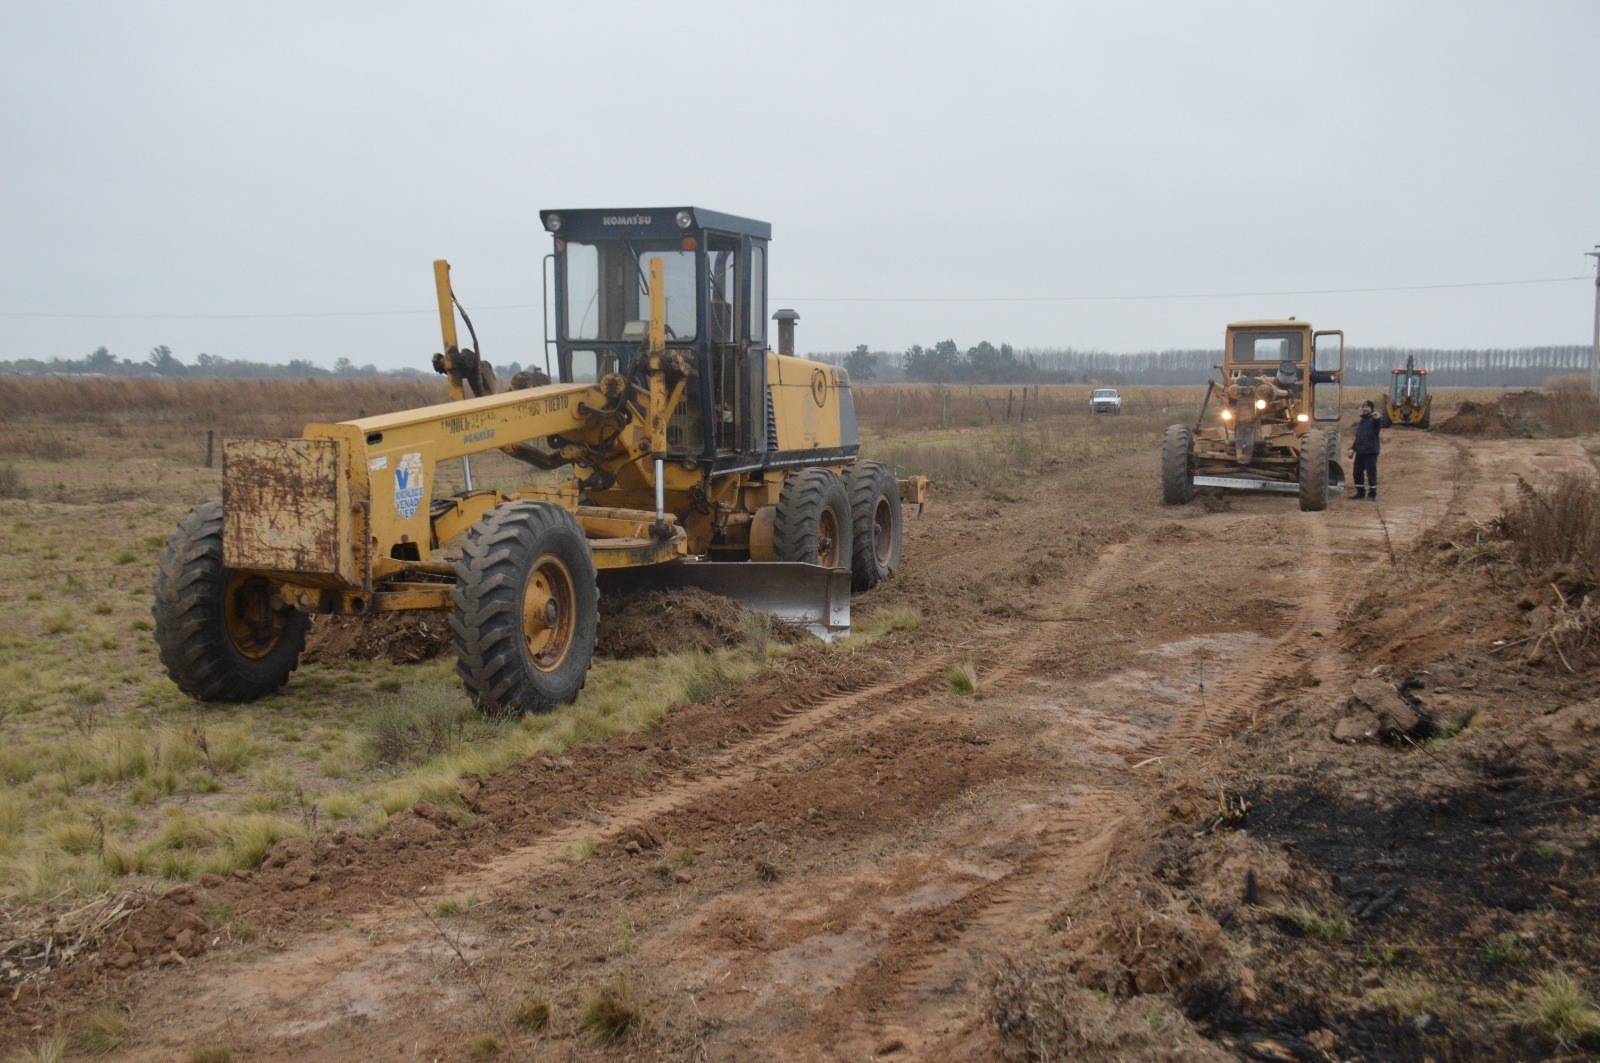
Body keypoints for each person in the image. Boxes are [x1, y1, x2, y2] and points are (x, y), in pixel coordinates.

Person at [1349, 399, 1381, 500]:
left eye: (1367, 407)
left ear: (1371, 408)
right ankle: (1360, 492)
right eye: (1363, 407)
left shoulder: (1374, 419)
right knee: (1357, 472)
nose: (1364, 408)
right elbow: (1359, 436)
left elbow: (1378, 422)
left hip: (1371, 451)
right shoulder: (1362, 421)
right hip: (1360, 451)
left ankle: (1372, 494)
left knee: (1371, 473)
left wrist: (1377, 417)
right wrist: (1353, 449)